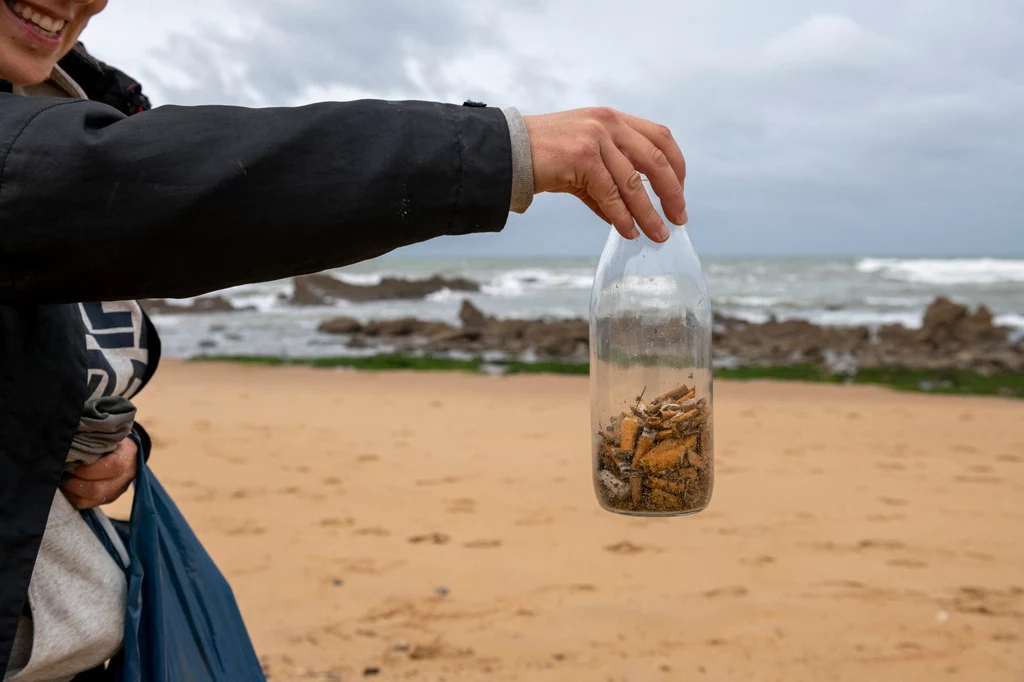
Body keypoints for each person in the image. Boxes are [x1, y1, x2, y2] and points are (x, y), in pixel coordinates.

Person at [0, 1, 688, 679]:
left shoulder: (78, 94)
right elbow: (155, 181)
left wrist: (107, 448)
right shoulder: (61, 143)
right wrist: (500, 150)